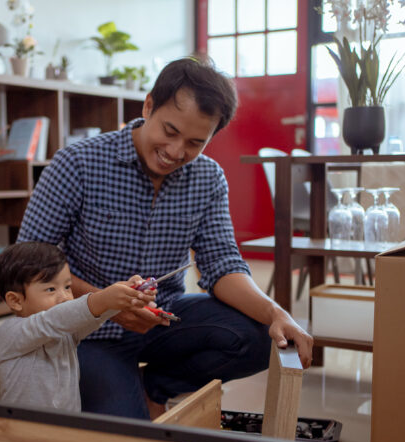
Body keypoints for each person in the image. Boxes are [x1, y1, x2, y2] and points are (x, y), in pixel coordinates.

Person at [17, 56, 314, 420]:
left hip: (164, 318)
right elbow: (28, 261)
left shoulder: (208, 178)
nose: (175, 152)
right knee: (132, 436)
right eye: (169, 132)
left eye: (194, 142)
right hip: (89, 329)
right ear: (148, 106)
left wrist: (278, 313)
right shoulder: (78, 163)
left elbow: (222, 264)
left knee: (261, 336)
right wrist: (105, 304)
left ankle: (157, 386)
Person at [0, 242, 155, 412]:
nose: (64, 297)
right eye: (51, 289)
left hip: (63, 424)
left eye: (67, 287)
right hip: (17, 426)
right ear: (16, 300)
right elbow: (54, 320)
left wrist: (127, 294)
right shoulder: (11, 332)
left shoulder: (66, 331)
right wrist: (105, 298)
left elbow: (93, 315)